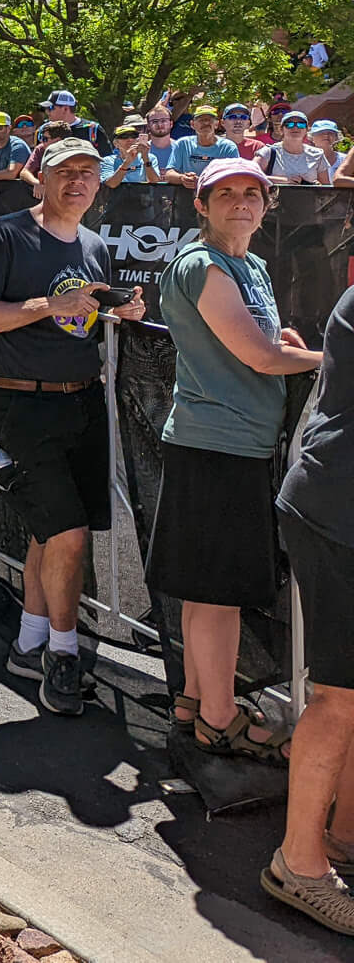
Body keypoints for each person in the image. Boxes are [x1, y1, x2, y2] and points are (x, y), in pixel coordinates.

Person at [0, 139, 146, 715]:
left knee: (53, 530)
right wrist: (43, 305)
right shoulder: (6, 234)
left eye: (89, 174)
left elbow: (85, 317)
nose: (79, 182)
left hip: (82, 401)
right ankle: (64, 654)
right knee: (66, 532)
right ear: (41, 177)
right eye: (66, 172)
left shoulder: (93, 245)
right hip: (22, 406)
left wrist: (118, 313)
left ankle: (28, 640)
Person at [148, 157, 319, 767]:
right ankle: (220, 722)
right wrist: (332, 359)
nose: (242, 202)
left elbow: (268, 344)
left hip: (231, 444)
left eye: (254, 192)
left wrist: (288, 344)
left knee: (205, 588)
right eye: (227, 193)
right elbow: (260, 358)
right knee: (217, 593)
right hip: (217, 445)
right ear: (202, 203)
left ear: (268, 204)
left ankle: (197, 703)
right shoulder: (200, 263)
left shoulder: (252, 265)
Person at [263, 284, 354, 935]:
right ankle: (300, 863)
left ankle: (342, 834)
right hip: (336, 514)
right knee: (339, 695)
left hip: (333, 504)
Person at [166, 103, 238, 184]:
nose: (206, 123)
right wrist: (182, 178)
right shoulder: (182, 144)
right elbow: (169, 174)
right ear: (192, 124)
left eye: (209, 120)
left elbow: (234, 177)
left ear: (217, 124)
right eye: (201, 120)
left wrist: (203, 181)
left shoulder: (228, 147)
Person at [259, 111, 332, 185]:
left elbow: (326, 188)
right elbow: (251, 174)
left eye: (301, 124)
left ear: (306, 130)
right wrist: (284, 180)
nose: (295, 127)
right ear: (281, 130)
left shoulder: (318, 155)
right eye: (289, 124)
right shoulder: (268, 152)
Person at [100, 121, 161, 186]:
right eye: (124, 136)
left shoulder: (150, 158)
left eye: (133, 136)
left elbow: (155, 183)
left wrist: (146, 159)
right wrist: (127, 162)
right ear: (116, 143)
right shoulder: (107, 161)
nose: (130, 139)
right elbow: (110, 184)